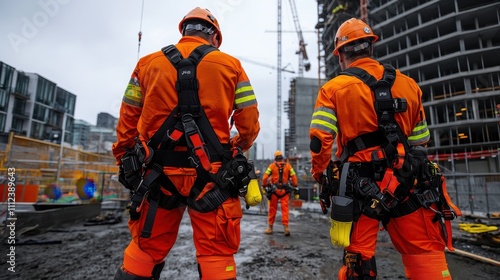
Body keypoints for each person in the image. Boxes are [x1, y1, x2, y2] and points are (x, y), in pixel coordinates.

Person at [112, 7, 260, 280]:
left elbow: (127, 118)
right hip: (213, 178)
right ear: (215, 37)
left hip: (156, 175)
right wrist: (238, 145)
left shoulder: (147, 64)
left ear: (184, 31)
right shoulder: (232, 66)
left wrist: (124, 157)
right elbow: (249, 122)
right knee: (216, 254)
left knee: (145, 251)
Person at [309, 18, 461, 279]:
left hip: (360, 186)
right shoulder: (409, 85)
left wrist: (320, 174)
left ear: (340, 54)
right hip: (408, 183)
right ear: (371, 47)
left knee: (359, 257)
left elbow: (320, 139)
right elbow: (421, 140)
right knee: (424, 254)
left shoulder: (333, 89)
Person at [262, 150, 299, 236]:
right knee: (285, 209)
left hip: (274, 191)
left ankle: (270, 228)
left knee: (272, 209)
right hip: (285, 192)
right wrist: (295, 186)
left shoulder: (271, 166)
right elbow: (294, 179)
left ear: (275, 158)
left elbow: (264, 178)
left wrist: (264, 185)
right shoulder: (288, 166)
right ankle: (286, 229)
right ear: (282, 158)